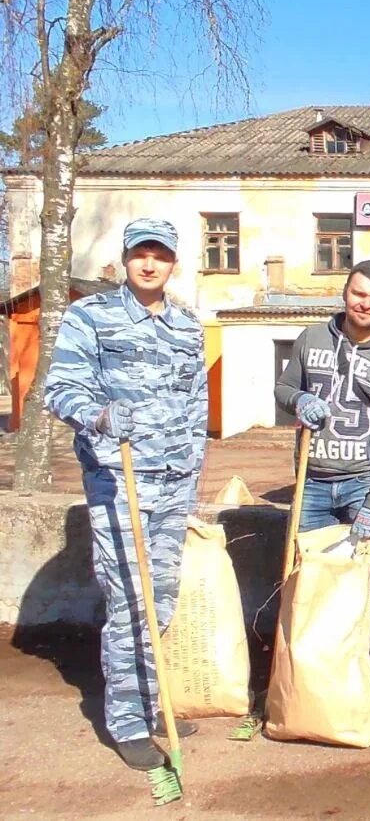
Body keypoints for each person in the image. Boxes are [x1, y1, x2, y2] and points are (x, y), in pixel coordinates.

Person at [44, 218, 208, 770]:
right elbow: (61, 388)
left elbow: (196, 407)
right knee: (129, 603)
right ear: (127, 257)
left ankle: (151, 698)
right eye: (141, 253)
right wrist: (99, 414)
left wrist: (192, 479)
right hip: (120, 482)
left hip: (172, 482)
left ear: (173, 262)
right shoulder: (90, 317)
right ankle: (128, 721)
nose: (149, 264)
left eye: (160, 255)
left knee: (160, 601)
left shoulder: (187, 326)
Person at [274, 259, 370, 648]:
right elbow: (283, 388)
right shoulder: (311, 339)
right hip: (311, 483)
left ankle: (355, 681)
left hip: (363, 484)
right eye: (359, 294)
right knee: (303, 579)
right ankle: (303, 677)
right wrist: (298, 399)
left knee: (362, 584)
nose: (366, 304)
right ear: (345, 293)